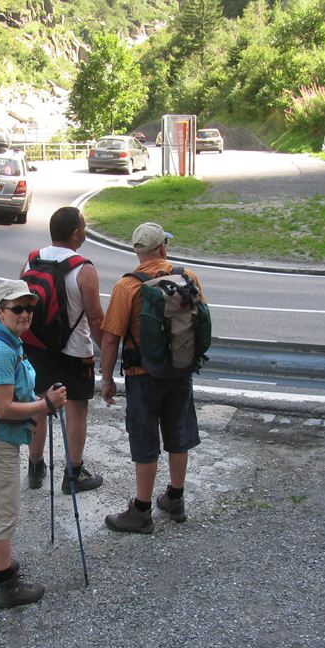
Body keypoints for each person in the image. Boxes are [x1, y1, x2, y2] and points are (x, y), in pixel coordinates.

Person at [99, 222, 204, 534]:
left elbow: (110, 339)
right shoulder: (188, 277)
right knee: (178, 433)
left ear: (138, 252)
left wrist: (107, 379)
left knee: (145, 439)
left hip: (142, 375)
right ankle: (175, 498)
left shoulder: (126, 287)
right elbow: (201, 317)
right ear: (162, 248)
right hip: (180, 371)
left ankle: (141, 511)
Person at [0, 280, 67, 609]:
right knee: (1, 510)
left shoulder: (7, 339)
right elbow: (3, 408)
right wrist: (45, 404)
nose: (25, 314)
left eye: (29, 308)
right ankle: (6, 585)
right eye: (17, 308)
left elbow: (9, 398)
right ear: (0, 312)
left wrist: (39, 400)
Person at [22, 206, 104, 494]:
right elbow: (96, 319)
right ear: (76, 234)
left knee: (38, 404)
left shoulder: (31, 261)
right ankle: (73, 474)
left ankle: (35, 467)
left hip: (36, 347)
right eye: (84, 227)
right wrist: (107, 357)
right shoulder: (84, 269)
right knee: (76, 410)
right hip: (75, 351)